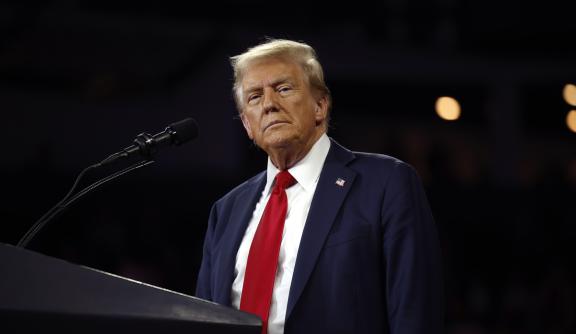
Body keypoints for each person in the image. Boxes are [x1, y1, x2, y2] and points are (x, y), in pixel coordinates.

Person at [196, 38, 443, 334]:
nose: (270, 104)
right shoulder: (226, 211)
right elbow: (203, 320)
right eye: (254, 97)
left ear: (320, 106)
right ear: (248, 125)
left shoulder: (386, 183)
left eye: (284, 89)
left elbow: (414, 314)